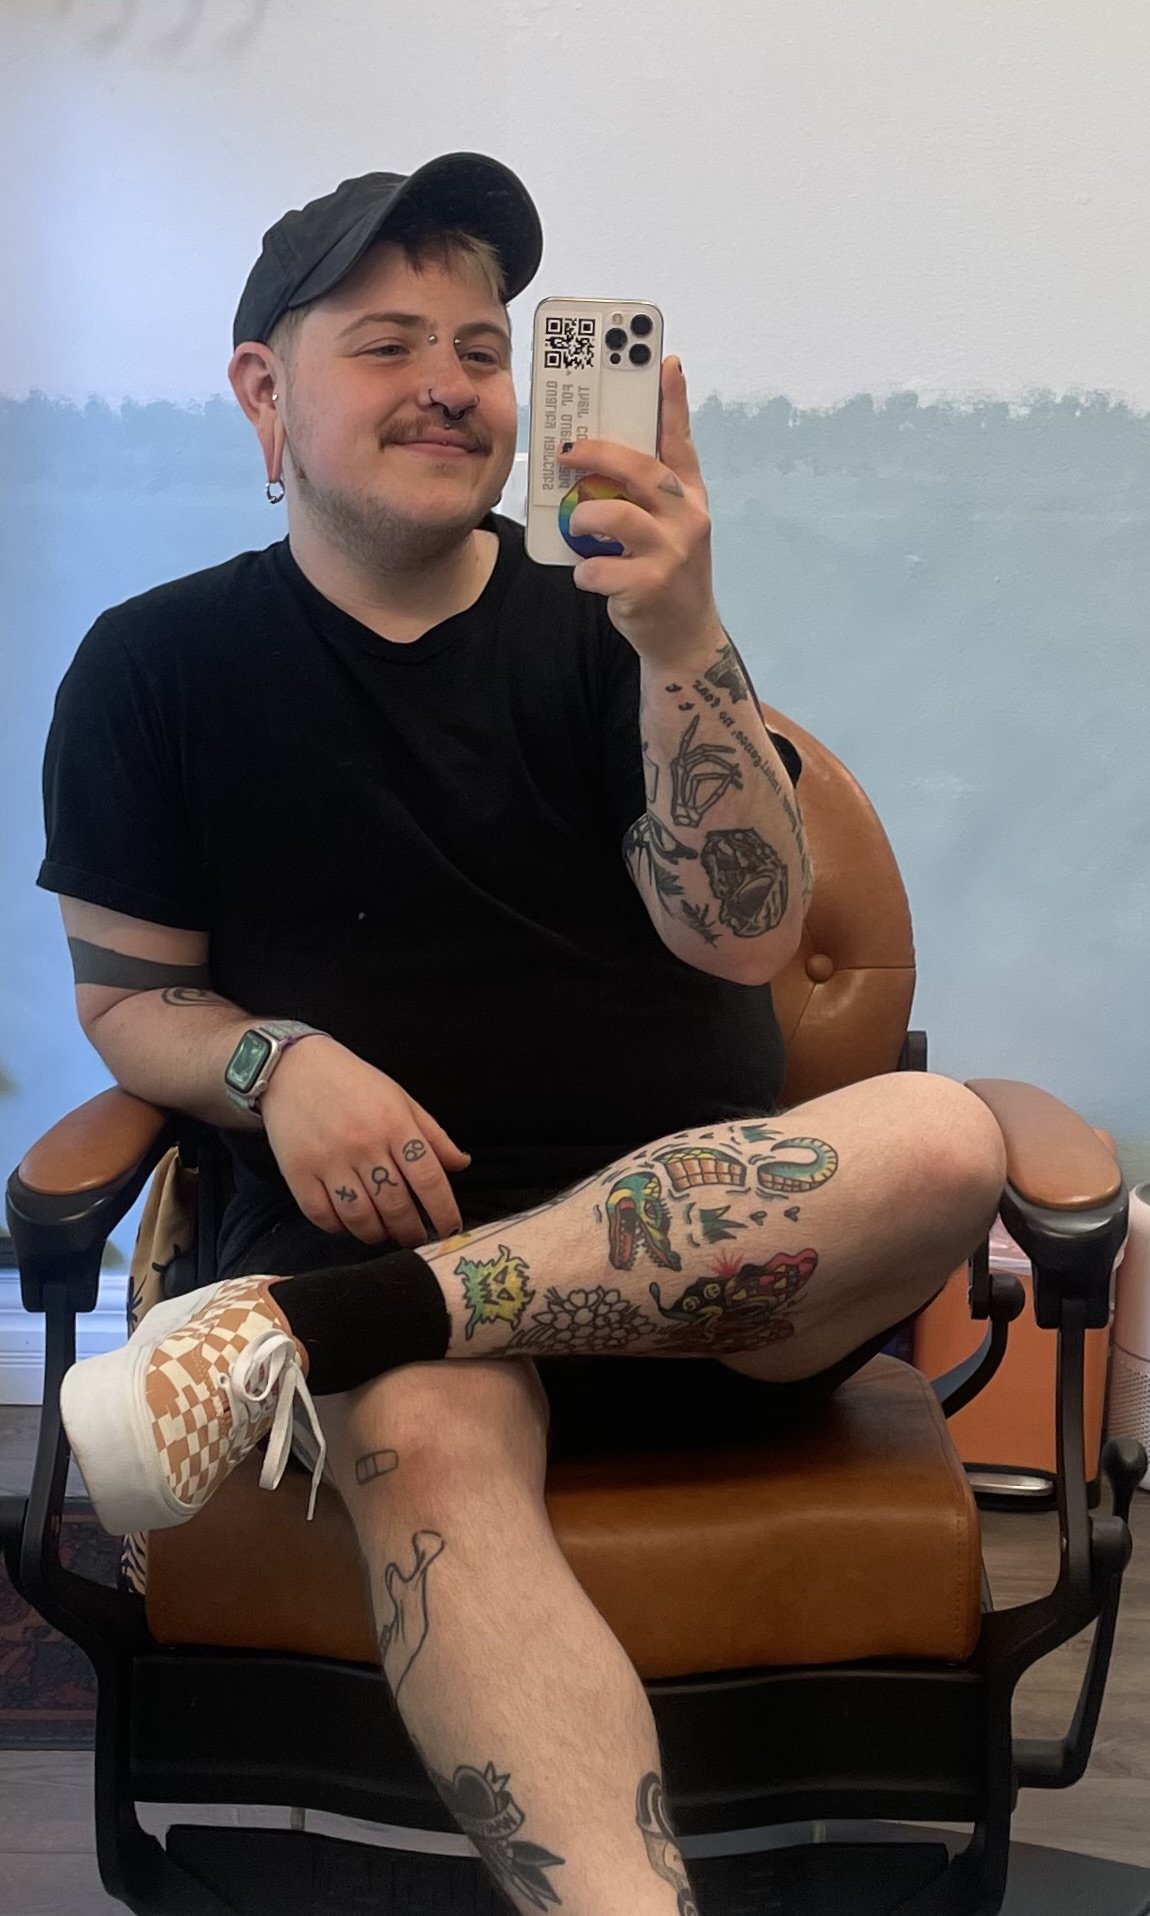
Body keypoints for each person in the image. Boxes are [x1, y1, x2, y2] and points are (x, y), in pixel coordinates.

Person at [41, 153, 1007, 1916]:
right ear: (263, 388)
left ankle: (300, 1337)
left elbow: (739, 933)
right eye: (387, 343)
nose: (450, 385)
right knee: (426, 1431)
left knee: (944, 1137)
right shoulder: (154, 668)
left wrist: (680, 634)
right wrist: (276, 1062)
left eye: (483, 350)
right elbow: (131, 1001)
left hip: (715, 1290)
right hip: (389, 1285)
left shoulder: (618, 631)